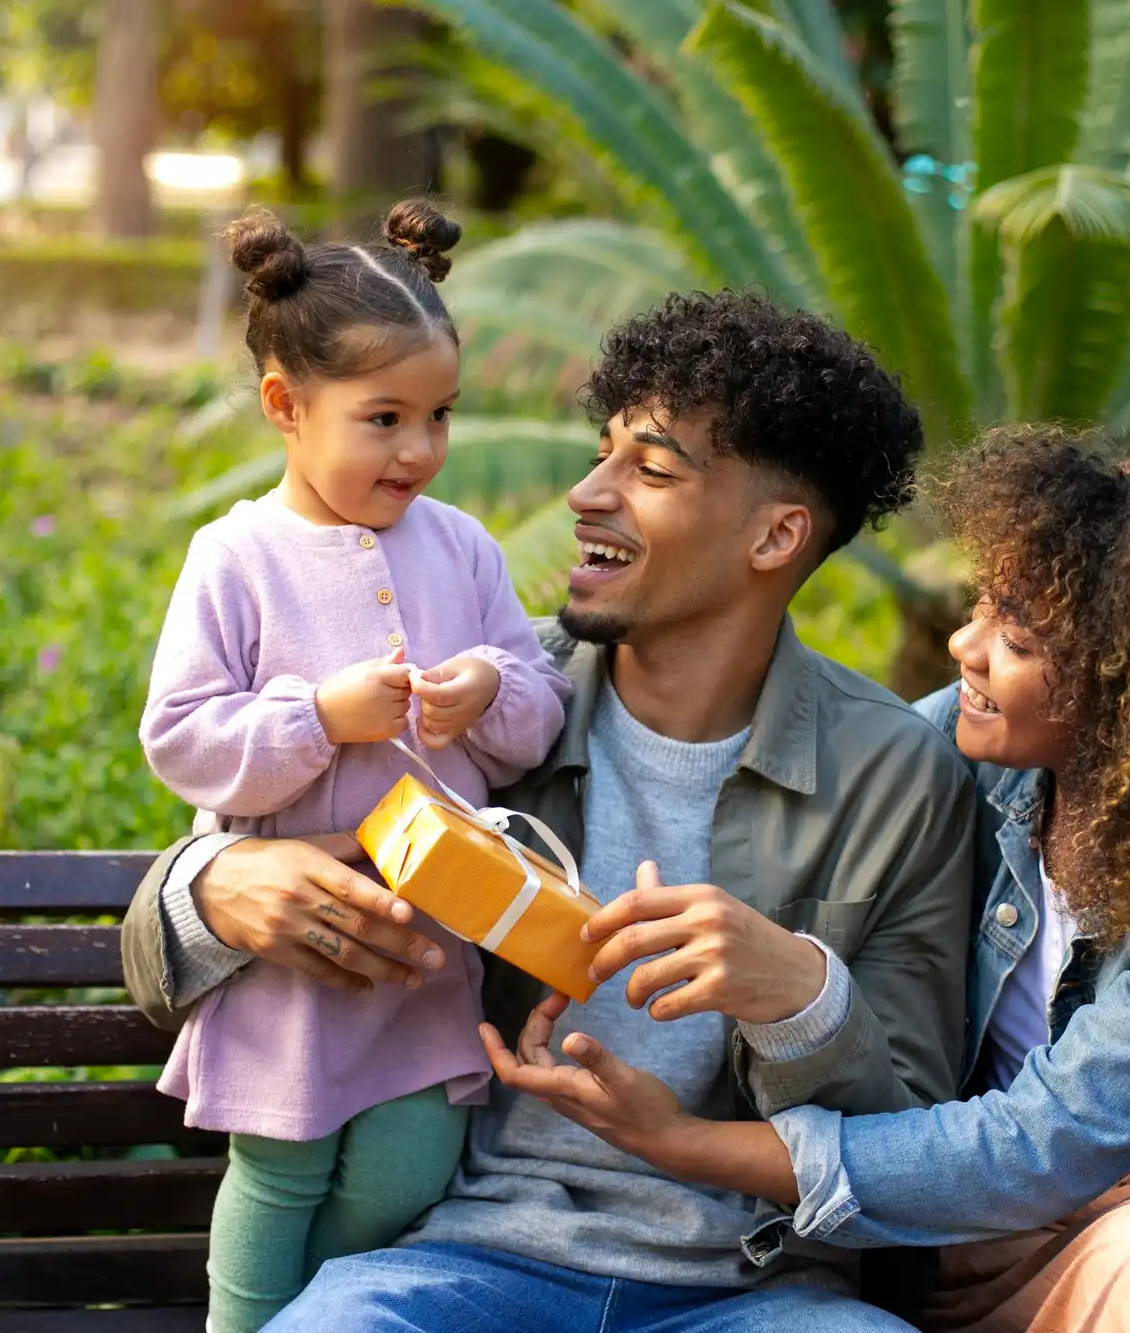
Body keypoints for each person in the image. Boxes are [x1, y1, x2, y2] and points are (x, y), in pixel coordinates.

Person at [487, 419, 1130, 1333]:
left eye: (1018, 638)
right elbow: (803, 742)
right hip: (983, 1241)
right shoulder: (960, 757)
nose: (963, 648)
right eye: (982, 607)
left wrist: (687, 1144)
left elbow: (1044, 1143)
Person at [120, 290, 978, 1331]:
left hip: (753, 1289)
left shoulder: (896, 775)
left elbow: (922, 1147)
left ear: (775, 536)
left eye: (648, 469)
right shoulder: (475, 701)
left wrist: (799, 997)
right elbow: (183, 889)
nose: (585, 493)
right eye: (600, 452)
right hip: (461, 1259)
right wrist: (209, 887)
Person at [137, 201, 572, 1333]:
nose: (417, 450)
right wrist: (317, 716)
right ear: (287, 406)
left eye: (438, 417)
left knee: (401, 1179)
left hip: (429, 955)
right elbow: (182, 738)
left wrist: (485, 685)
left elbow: (534, 719)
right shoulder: (234, 556)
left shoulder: (463, 548)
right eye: (382, 418)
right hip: (292, 956)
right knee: (279, 1175)